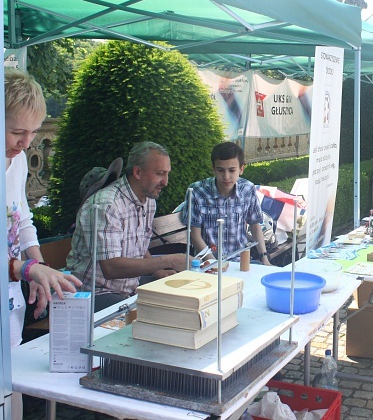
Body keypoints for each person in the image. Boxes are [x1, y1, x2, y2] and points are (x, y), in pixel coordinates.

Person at [5, 70, 82, 420]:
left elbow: (21, 221)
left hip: (8, 305)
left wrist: (38, 268)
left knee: (11, 388)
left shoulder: (17, 162)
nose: (26, 143)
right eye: (17, 132)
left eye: (33, 133)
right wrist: (29, 268)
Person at [68, 141, 185, 312]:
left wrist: (158, 271)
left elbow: (138, 245)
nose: (165, 182)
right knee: (159, 314)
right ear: (137, 172)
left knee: (181, 297)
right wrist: (169, 261)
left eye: (167, 174)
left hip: (125, 288)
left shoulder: (148, 201)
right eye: (160, 174)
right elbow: (111, 268)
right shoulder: (107, 204)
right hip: (91, 294)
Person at [182, 142, 272, 267]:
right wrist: (214, 264)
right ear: (213, 168)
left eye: (232, 170)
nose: (226, 176)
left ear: (241, 169)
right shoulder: (197, 192)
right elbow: (194, 235)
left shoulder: (247, 189)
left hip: (241, 262)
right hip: (206, 264)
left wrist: (264, 258)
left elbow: (255, 225)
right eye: (220, 170)